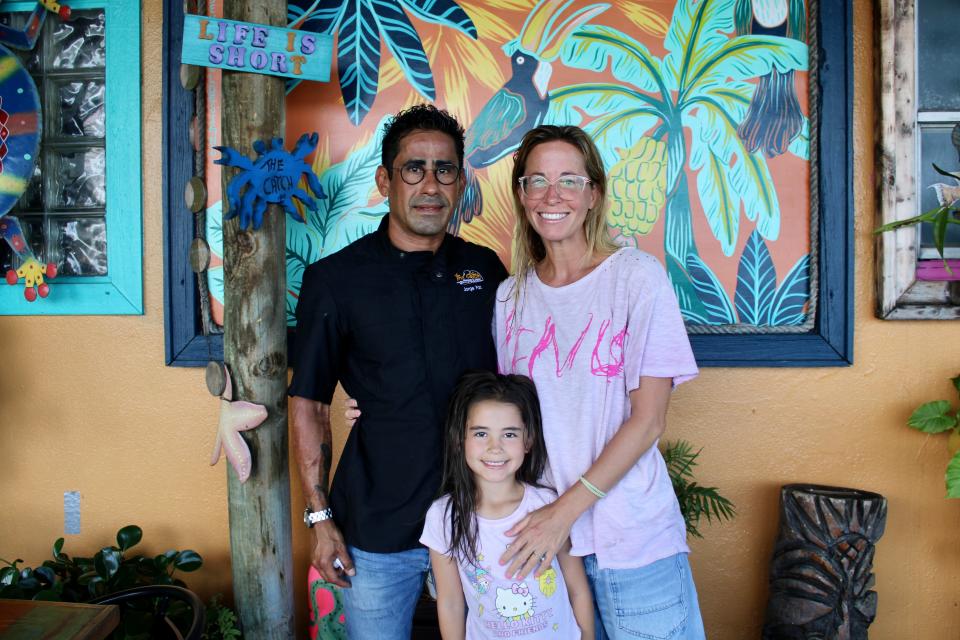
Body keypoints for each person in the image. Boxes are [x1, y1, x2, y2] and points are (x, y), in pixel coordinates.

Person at [288, 104, 508, 639]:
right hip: (378, 527)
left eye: (445, 169)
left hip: (480, 521)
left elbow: (518, 384)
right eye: (414, 168)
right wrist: (321, 519)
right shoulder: (335, 280)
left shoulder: (486, 269)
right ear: (386, 179)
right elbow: (310, 404)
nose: (430, 185)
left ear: (460, 181)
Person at [493, 125, 705, 639]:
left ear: (593, 194)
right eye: (536, 181)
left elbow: (648, 420)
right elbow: (501, 423)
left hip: (632, 540)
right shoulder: (509, 299)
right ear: (522, 196)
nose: (552, 195)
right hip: (544, 547)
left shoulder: (636, 277)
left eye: (569, 179)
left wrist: (563, 515)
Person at [420, 370, 594, 639]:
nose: (495, 447)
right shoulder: (444, 516)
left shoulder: (548, 505)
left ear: (528, 440)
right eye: (480, 434)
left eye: (509, 434)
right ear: (459, 439)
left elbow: (577, 587)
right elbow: (451, 602)